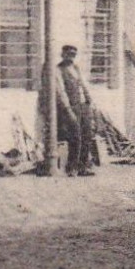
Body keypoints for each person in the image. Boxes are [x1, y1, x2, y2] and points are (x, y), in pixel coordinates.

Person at [53, 44, 96, 176]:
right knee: (75, 137)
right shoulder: (58, 70)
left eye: (73, 55)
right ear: (62, 54)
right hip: (72, 107)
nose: (71, 57)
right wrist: (68, 110)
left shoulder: (77, 69)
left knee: (87, 136)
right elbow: (61, 92)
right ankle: (71, 168)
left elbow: (84, 86)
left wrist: (91, 103)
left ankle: (83, 167)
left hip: (84, 106)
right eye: (68, 54)